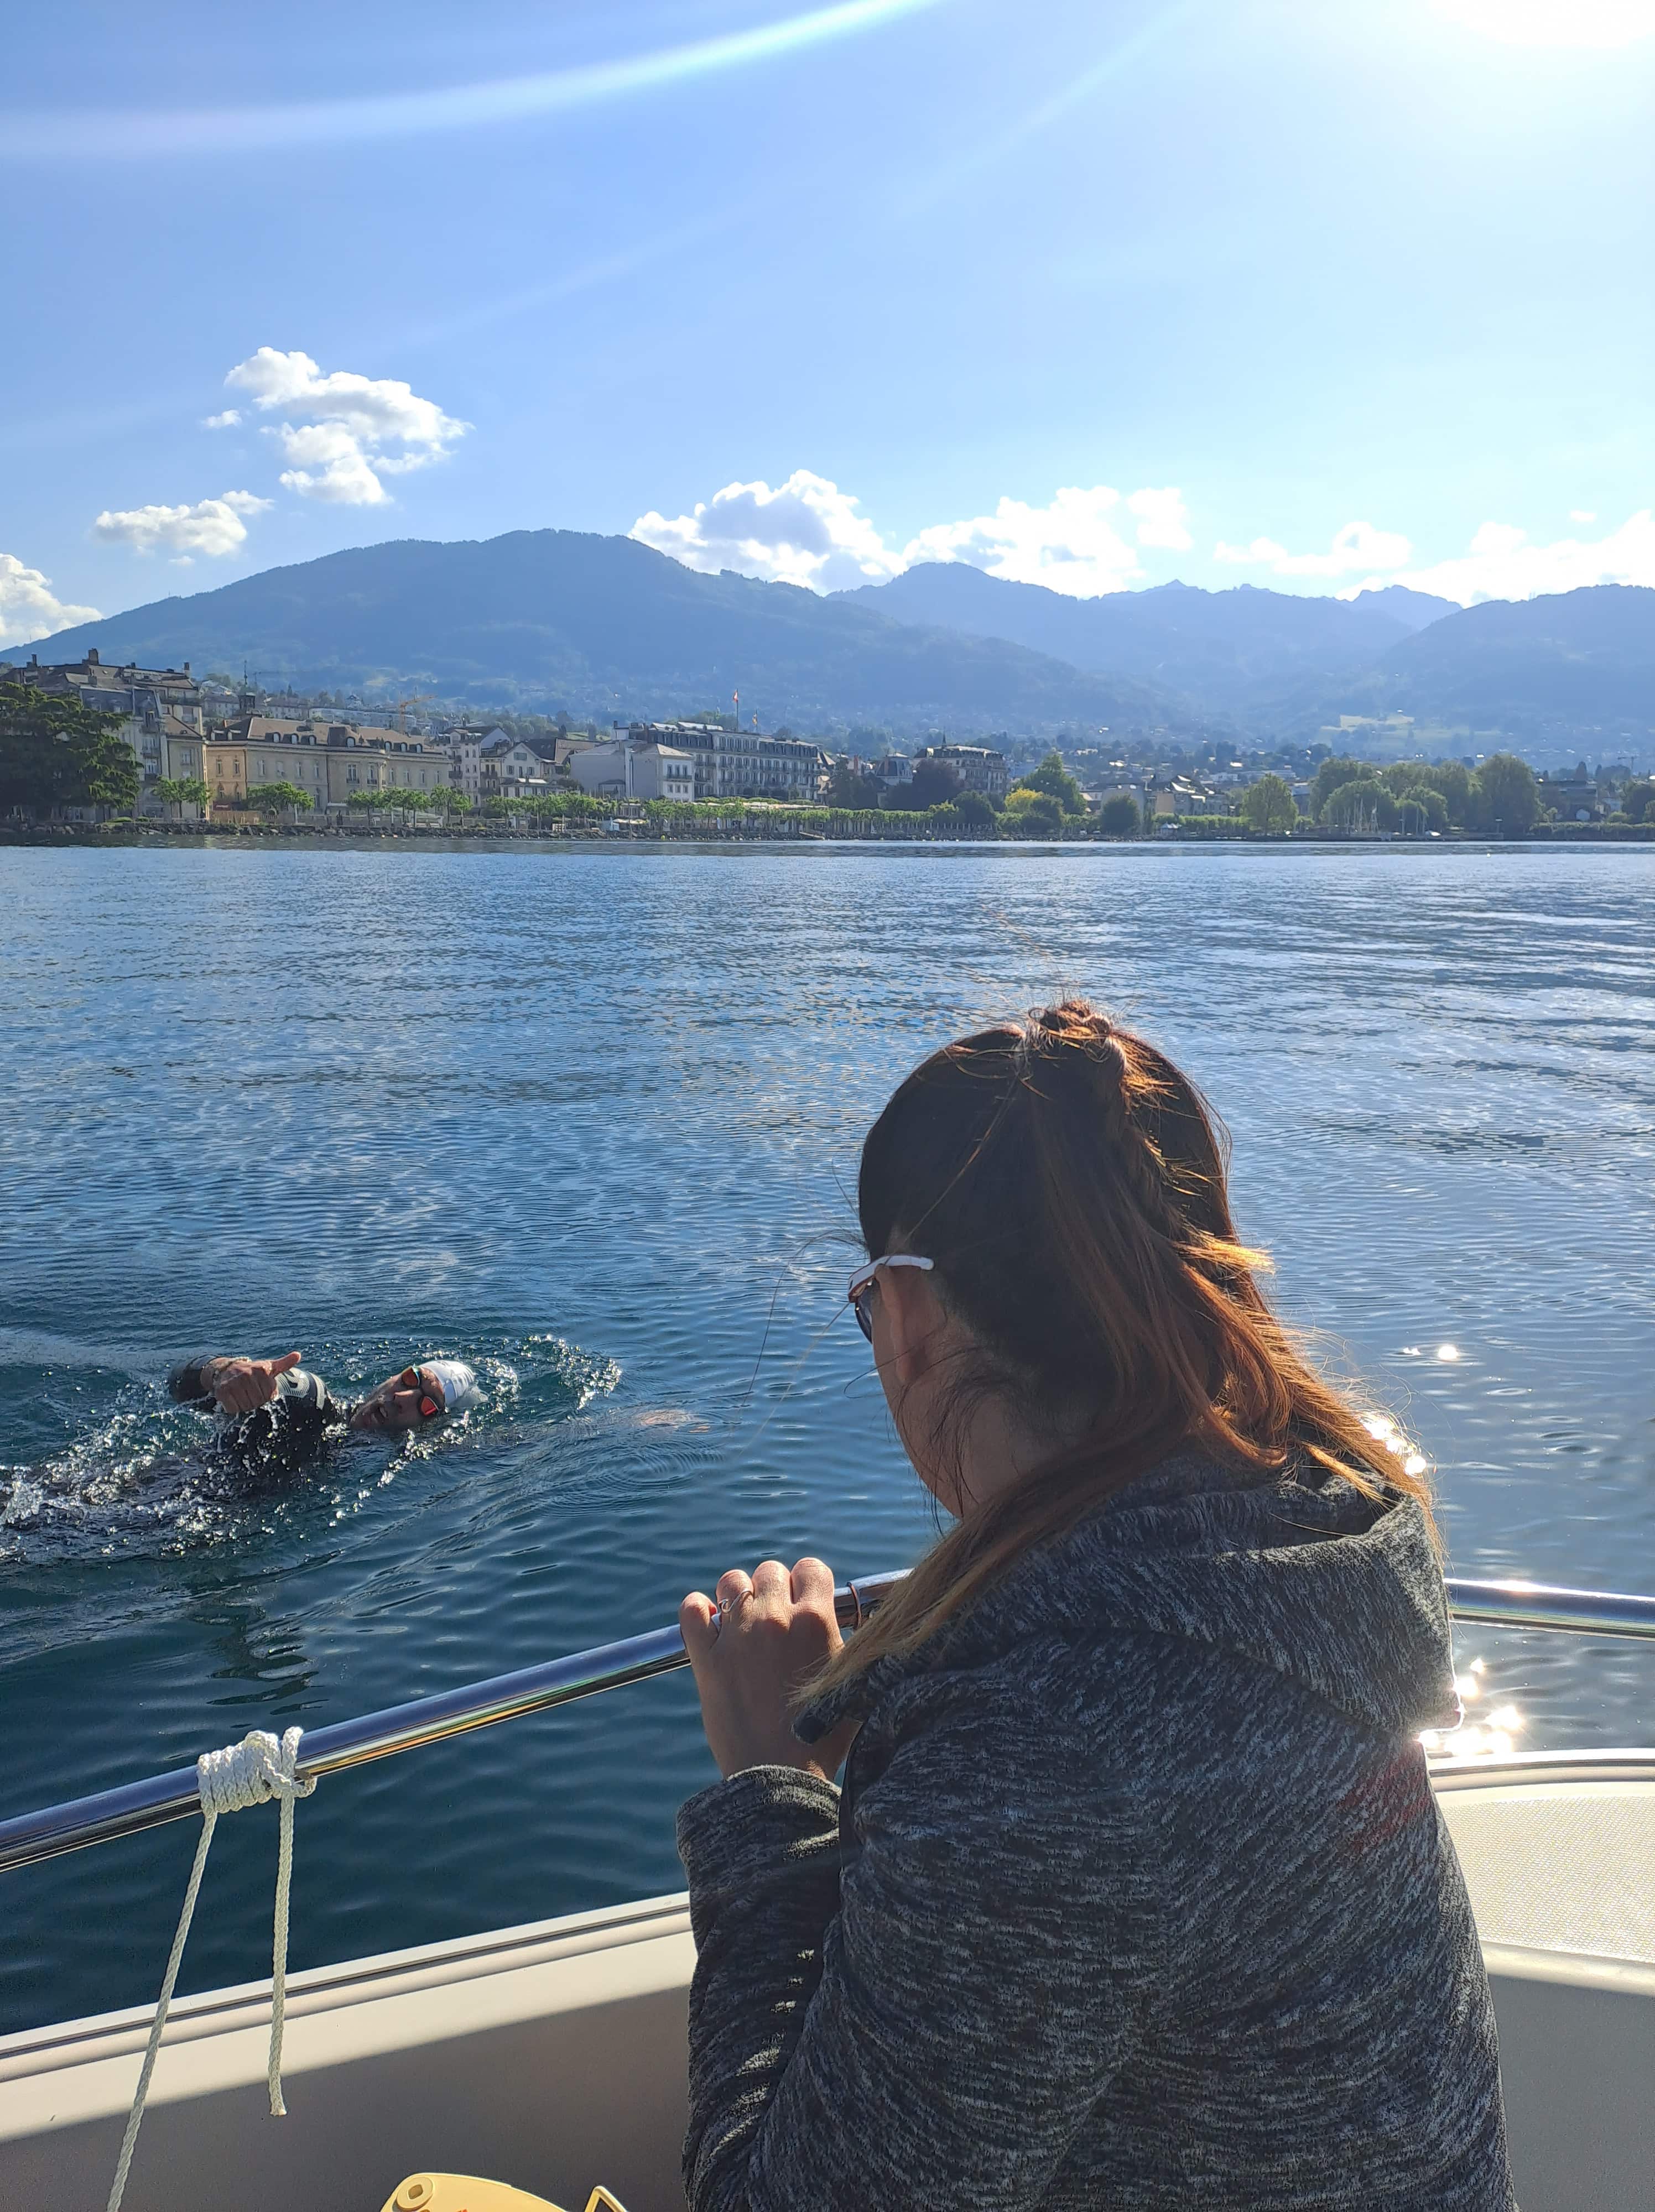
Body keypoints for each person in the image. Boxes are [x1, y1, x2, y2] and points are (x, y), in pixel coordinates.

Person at [674, 1001, 1513, 2211]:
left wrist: (770, 1786)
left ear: (906, 1312)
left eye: (867, 1303)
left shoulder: (1046, 1751)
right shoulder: (1322, 1546)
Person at [166, 1349, 481, 1474]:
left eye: (426, 1406)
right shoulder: (309, 1399)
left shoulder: (396, 1460)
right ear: (392, 1376)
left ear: (429, 1427)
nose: (402, 1398)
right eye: (411, 1379)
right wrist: (221, 1372)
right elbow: (177, 1382)